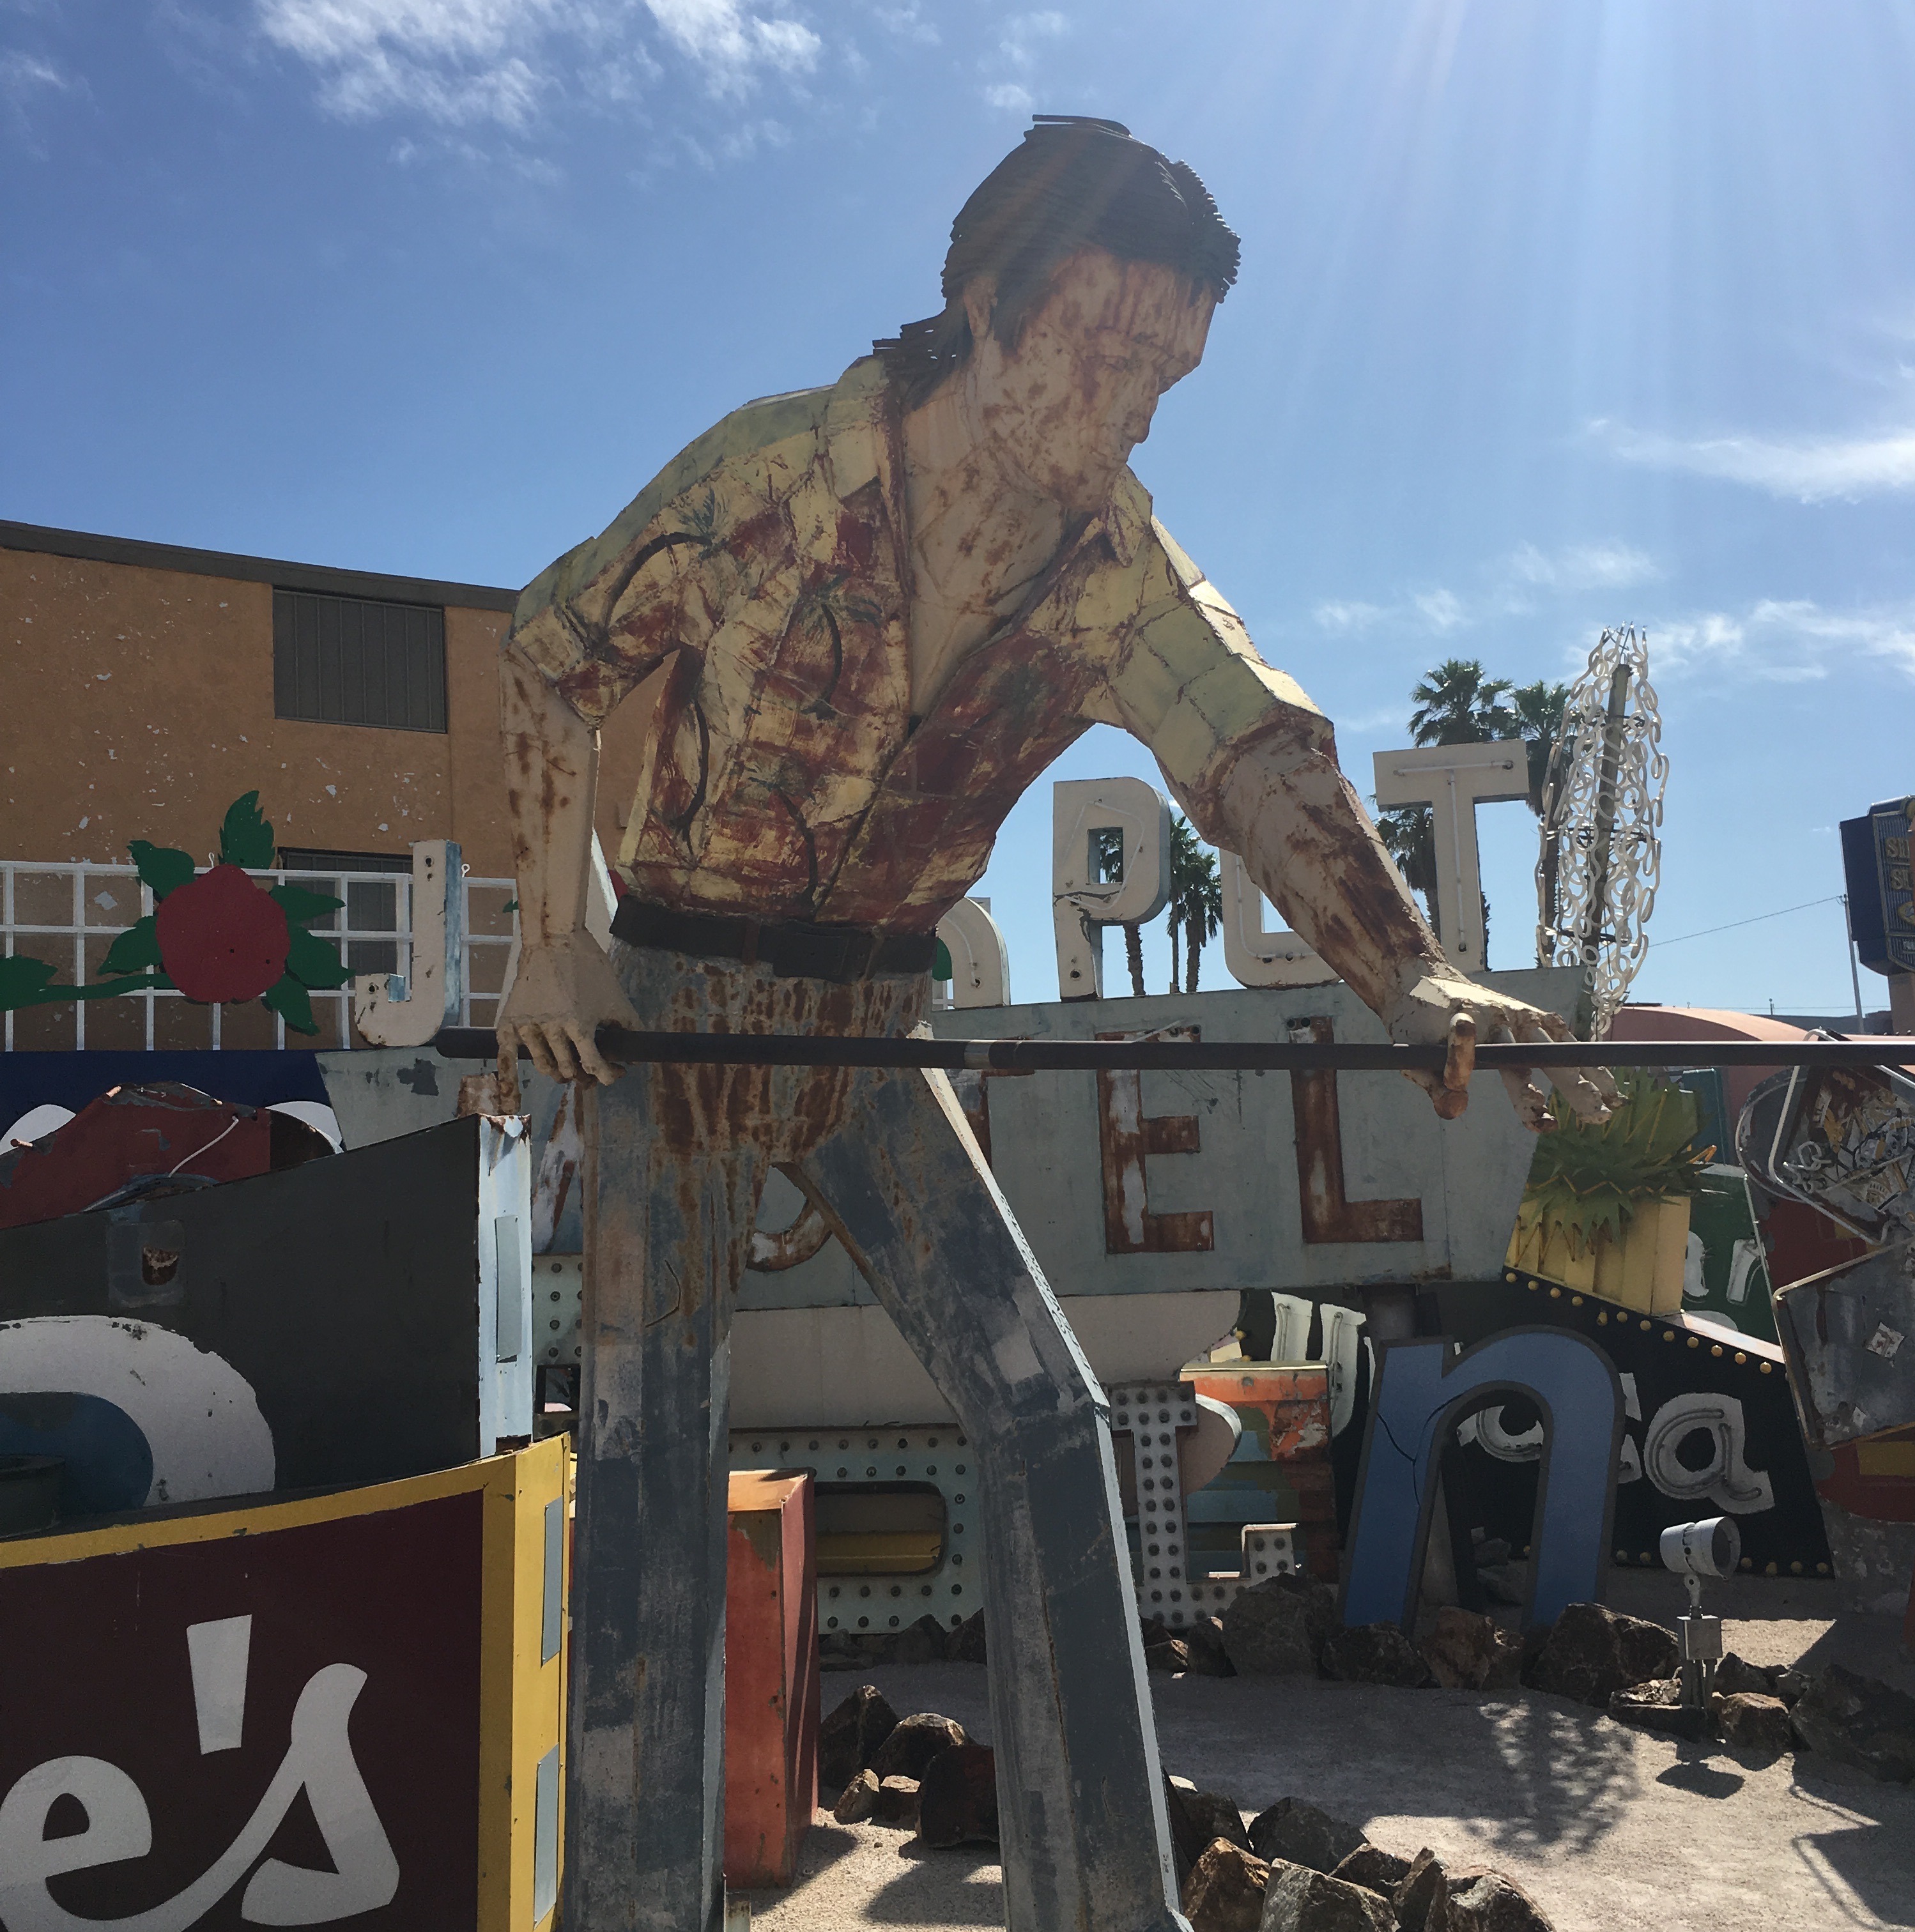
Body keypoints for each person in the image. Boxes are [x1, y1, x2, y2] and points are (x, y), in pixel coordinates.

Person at [498, 116, 1613, 1932]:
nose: (1132, 413)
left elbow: (1254, 744)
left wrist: (1404, 976)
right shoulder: (776, 477)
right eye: (1104, 355)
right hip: (676, 1017)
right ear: (984, 302)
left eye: (1165, 377)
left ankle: (1105, 1906)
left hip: (871, 1021)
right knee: (648, 1464)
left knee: (1049, 1418)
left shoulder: (1114, 565)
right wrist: (557, 942)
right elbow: (552, 648)